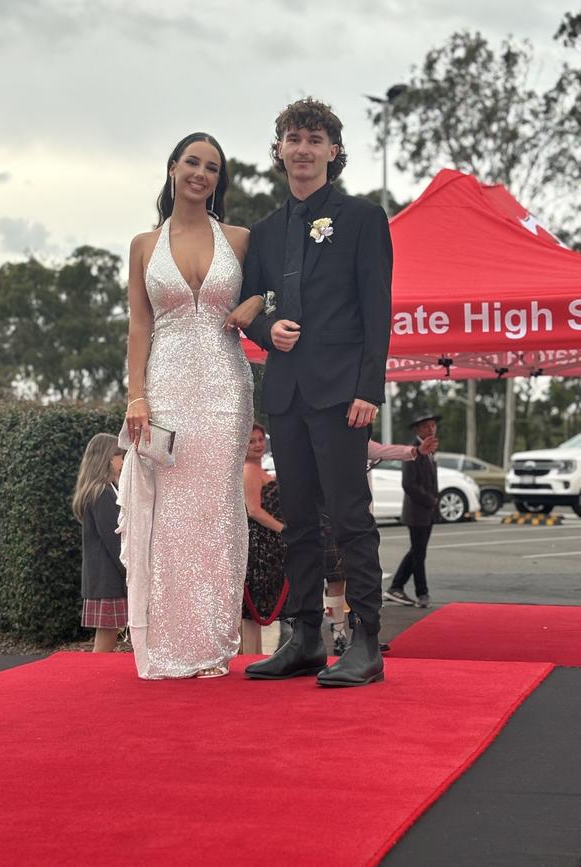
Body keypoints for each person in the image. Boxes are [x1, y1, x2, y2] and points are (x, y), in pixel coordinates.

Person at [240, 97, 393, 687]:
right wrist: (263, 329)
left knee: (350, 518)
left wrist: (369, 389)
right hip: (286, 394)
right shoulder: (266, 231)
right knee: (299, 520)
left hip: (342, 395)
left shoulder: (362, 217)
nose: (301, 148)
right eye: (292, 138)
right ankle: (303, 639)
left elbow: (376, 310)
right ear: (279, 150)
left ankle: (367, 643)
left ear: (333, 150)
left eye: (313, 138)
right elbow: (247, 305)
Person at [120, 132, 264, 679]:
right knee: (171, 514)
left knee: (218, 509)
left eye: (211, 168)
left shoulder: (241, 239)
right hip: (166, 387)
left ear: (218, 181)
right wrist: (137, 395)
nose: (201, 173)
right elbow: (139, 323)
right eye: (192, 163)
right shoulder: (142, 245)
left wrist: (255, 300)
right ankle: (170, 645)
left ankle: (213, 644)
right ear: (174, 168)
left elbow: (277, 290)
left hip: (227, 387)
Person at [324, 435, 438, 653]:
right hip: (332, 517)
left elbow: (386, 451)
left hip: (360, 520)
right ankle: (338, 636)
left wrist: (417, 451)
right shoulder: (326, 441)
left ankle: (364, 634)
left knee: (364, 578)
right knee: (336, 579)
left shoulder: (359, 442)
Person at [72, 433, 127, 653]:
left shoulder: (104, 490)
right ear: (107, 458)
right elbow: (113, 538)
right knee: (105, 641)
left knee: (108, 636)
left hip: (105, 578)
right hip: (108, 579)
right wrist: (129, 570)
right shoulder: (101, 493)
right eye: (119, 456)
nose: (122, 461)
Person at [384, 412, 441, 608]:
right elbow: (408, 484)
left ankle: (396, 586)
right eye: (426, 426)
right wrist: (431, 500)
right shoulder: (412, 451)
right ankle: (422, 593)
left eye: (433, 426)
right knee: (418, 554)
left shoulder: (431, 449)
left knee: (417, 551)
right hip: (417, 512)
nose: (431, 429)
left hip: (427, 512)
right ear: (417, 429)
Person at [242, 422, 287, 654]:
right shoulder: (249, 469)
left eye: (260, 439)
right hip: (259, 548)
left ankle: (254, 659)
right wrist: (284, 530)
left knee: (257, 612)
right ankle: (250, 660)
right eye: (251, 441)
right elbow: (253, 510)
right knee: (253, 611)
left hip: (268, 546)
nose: (258, 445)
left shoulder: (259, 469)